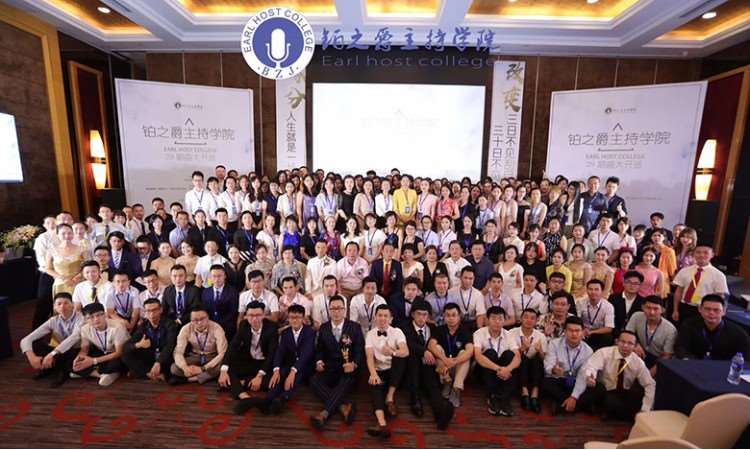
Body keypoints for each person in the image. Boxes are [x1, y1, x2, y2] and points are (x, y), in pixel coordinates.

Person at [309, 295, 364, 429]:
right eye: (333, 308)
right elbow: (320, 349)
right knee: (314, 380)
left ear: (344, 310)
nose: (336, 311)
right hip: (330, 368)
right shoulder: (324, 328)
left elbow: (359, 350)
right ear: (329, 310)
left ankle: (324, 414)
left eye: (339, 308)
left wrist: (354, 364)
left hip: (348, 369)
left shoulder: (355, 327)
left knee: (347, 380)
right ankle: (343, 407)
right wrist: (319, 361)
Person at [398, 300, 454, 429]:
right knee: (413, 361)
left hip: (429, 366)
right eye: (418, 314)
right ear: (413, 314)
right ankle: (415, 399)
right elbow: (408, 344)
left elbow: (438, 345)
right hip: (411, 367)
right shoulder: (404, 328)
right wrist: (424, 351)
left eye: (425, 314)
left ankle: (440, 414)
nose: (421, 318)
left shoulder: (433, 328)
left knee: (432, 387)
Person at [251, 304, 316, 415]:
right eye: (292, 317)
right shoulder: (286, 333)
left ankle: (283, 398)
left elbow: (306, 354)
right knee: (280, 373)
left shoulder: (310, 332)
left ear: (303, 318)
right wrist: (276, 370)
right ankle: (268, 399)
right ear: (288, 318)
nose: (294, 320)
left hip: (305, 365)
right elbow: (280, 352)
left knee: (296, 374)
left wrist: (293, 371)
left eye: (298, 317)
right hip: (290, 363)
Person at [581, 330, 656, 421]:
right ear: (617, 342)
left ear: (635, 346)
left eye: (630, 343)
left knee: (638, 399)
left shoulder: (638, 362)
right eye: (622, 342)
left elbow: (650, 384)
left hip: (623, 392)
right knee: (605, 397)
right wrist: (590, 376)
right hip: (604, 389)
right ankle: (609, 410)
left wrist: (645, 409)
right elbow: (591, 366)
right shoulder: (604, 353)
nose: (625, 346)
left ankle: (612, 412)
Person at [365, 304, 409, 439]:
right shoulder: (370, 334)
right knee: (374, 385)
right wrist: (373, 374)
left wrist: (392, 352)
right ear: (375, 317)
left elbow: (405, 351)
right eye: (380, 315)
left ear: (391, 319)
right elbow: (369, 357)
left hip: (395, 372)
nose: (382, 318)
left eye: (386, 316)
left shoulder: (397, 332)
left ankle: (390, 397)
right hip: (379, 369)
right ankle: (382, 424)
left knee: (400, 358)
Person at [20, 293, 83, 386]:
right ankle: (48, 368)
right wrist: (31, 357)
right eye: (59, 304)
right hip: (60, 351)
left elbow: (74, 337)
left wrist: (52, 354)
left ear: (73, 305)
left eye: (66, 303)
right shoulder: (53, 321)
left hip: (77, 350)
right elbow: (26, 340)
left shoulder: (81, 318)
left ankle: (61, 372)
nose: (62, 306)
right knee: (35, 344)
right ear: (54, 307)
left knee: (70, 355)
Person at [224, 301, 279, 404]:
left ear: (263, 315)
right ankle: (244, 396)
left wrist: (259, 376)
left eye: (258, 315)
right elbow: (232, 346)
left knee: (277, 381)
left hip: (265, 363)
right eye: (251, 315)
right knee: (228, 371)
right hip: (249, 361)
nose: (254, 319)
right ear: (246, 316)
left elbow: (272, 354)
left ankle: (244, 383)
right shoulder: (243, 325)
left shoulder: (271, 328)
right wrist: (223, 370)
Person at [64, 302, 129, 386]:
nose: (96, 319)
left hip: (117, 354)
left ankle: (88, 372)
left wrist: (93, 361)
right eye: (91, 317)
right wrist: (79, 359)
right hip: (102, 353)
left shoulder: (117, 327)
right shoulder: (85, 329)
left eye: (98, 315)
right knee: (69, 359)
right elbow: (84, 349)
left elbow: (119, 352)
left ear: (105, 315)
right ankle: (100, 374)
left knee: (119, 363)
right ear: (86, 319)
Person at [541, 317, 595, 415]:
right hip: (560, 379)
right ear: (565, 332)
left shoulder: (588, 351)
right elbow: (548, 365)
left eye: (577, 331)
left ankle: (562, 406)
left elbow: (583, 376)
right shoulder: (554, 344)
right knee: (545, 383)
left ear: (582, 332)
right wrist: (554, 370)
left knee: (599, 388)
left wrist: (574, 396)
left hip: (577, 381)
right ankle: (579, 405)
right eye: (570, 330)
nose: (574, 334)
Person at [473, 306, 521, 417]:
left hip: (504, 373)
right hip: (484, 372)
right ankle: (492, 396)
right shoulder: (479, 333)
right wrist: (499, 369)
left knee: (510, 355)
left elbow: (518, 357)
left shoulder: (509, 335)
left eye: (500, 318)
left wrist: (507, 369)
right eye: (493, 318)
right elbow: (478, 356)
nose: (497, 321)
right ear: (487, 320)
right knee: (490, 353)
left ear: (504, 320)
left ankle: (505, 398)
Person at [675, 294, 750, 360]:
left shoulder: (738, 333)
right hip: (693, 365)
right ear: (700, 309)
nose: (711, 313)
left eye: (716, 310)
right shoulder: (688, 325)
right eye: (707, 309)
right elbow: (680, 348)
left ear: (724, 312)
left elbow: (746, 357)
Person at [428, 303, 474, 408]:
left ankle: (456, 389)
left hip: (458, 367)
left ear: (459, 316)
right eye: (447, 315)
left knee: (464, 353)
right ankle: (446, 382)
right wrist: (445, 359)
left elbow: (470, 351)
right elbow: (431, 345)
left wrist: (454, 361)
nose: (451, 318)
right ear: (444, 317)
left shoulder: (465, 331)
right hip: (443, 366)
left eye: (454, 315)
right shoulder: (439, 329)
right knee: (437, 348)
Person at [121, 298, 178, 381]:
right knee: (126, 355)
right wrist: (139, 344)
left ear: (161, 310)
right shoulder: (143, 326)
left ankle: (145, 374)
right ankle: (149, 374)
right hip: (151, 356)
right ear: (145, 313)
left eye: (154, 310)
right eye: (148, 311)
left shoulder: (170, 324)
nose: (151, 314)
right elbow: (126, 346)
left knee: (174, 362)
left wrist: (159, 362)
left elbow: (170, 345)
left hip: (165, 357)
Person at [672, 245, 729, 324]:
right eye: (698, 252)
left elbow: (720, 297)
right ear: (694, 254)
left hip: (704, 310)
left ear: (712, 255)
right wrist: (675, 310)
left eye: (705, 253)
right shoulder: (685, 271)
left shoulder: (719, 275)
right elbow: (679, 292)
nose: (701, 255)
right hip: (684, 307)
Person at [170, 308, 228, 385]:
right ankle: (204, 376)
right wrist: (185, 367)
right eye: (195, 320)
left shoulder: (217, 328)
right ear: (191, 320)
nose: (199, 323)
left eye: (202, 319)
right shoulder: (186, 329)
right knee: (174, 368)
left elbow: (222, 353)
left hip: (212, 356)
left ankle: (190, 379)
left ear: (208, 318)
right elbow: (178, 352)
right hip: (195, 356)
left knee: (221, 366)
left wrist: (202, 368)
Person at [626, 296, 677, 376]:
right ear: (643, 307)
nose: (651, 312)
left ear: (662, 310)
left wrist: (649, 374)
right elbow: (627, 334)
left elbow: (667, 355)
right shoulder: (636, 316)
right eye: (648, 308)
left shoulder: (670, 330)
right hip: (640, 352)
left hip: (658, 359)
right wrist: (636, 344)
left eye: (656, 309)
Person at [509, 309, 547, 413]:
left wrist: (540, 351)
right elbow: (509, 356)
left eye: (532, 318)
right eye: (526, 317)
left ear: (536, 321)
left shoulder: (541, 336)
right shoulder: (511, 333)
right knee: (522, 358)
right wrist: (522, 349)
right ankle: (524, 392)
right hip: (518, 367)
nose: (529, 320)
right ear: (521, 319)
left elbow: (544, 359)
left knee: (536, 359)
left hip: (534, 368)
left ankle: (535, 394)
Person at [44, 224, 85, 297]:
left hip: (78, 282)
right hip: (60, 283)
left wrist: (76, 278)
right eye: (63, 233)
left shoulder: (81, 249)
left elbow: (87, 266)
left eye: (69, 233)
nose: (67, 236)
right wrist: (63, 278)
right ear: (57, 235)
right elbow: (48, 269)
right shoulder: (51, 251)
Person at [201, 265, 240, 339]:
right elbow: (204, 310)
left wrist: (218, 325)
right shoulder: (205, 292)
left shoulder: (233, 291)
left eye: (219, 276)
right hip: (209, 326)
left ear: (224, 276)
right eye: (214, 276)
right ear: (210, 277)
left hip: (227, 327)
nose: (217, 279)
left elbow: (233, 312)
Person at [577, 279, 615, 350]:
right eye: (590, 289)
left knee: (608, 337)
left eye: (596, 289)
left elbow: (609, 328)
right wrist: (583, 330)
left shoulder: (608, 306)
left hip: (599, 333)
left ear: (602, 291)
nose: (593, 292)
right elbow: (577, 320)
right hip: (584, 331)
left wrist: (592, 332)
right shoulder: (580, 303)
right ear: (587, 290)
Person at [447, 266, 487, 330]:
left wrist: (479, 331)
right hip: (456, 323)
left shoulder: (478, 294)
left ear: (474, 279)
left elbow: (480, 314)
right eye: (465, 278)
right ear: (461, 278)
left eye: (470, 278)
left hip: (472, 323)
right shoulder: (451, 292)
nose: (467, 281)